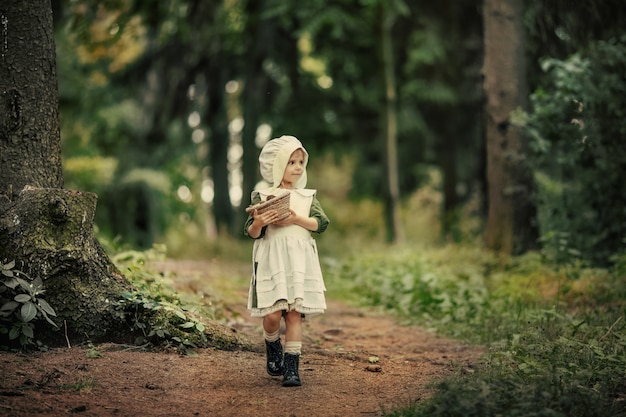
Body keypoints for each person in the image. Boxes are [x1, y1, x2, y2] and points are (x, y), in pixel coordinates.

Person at [244, 135, 330, 387]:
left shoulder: (307, 197)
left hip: (298, 261)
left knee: (293, 314)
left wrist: (295, 219)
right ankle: (272, 344)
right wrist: (260, 221)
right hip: (272, 259)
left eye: (301, 162)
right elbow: (252, 231)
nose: (298, 167)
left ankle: (292, 368)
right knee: (272, 314)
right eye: (291, 161)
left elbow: (321, 224)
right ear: (279, 164)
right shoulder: (262, 195)